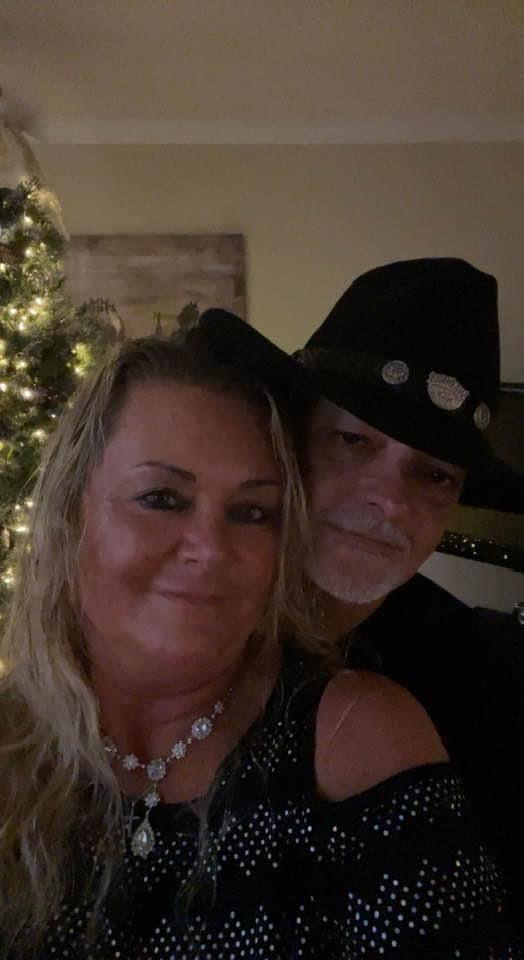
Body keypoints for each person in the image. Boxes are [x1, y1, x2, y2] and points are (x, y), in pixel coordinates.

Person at [0, 328, 520, 959]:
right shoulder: (16, 740)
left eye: (251, 512)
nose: (211, 549)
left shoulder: (374, 727)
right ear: (70, 512)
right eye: (161, 499)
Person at [199, 257, 524, 928]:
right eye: (352, 440)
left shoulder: (480, 688)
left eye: (433, 475)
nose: (389, 501)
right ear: (288, 444)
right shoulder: (184, 613)